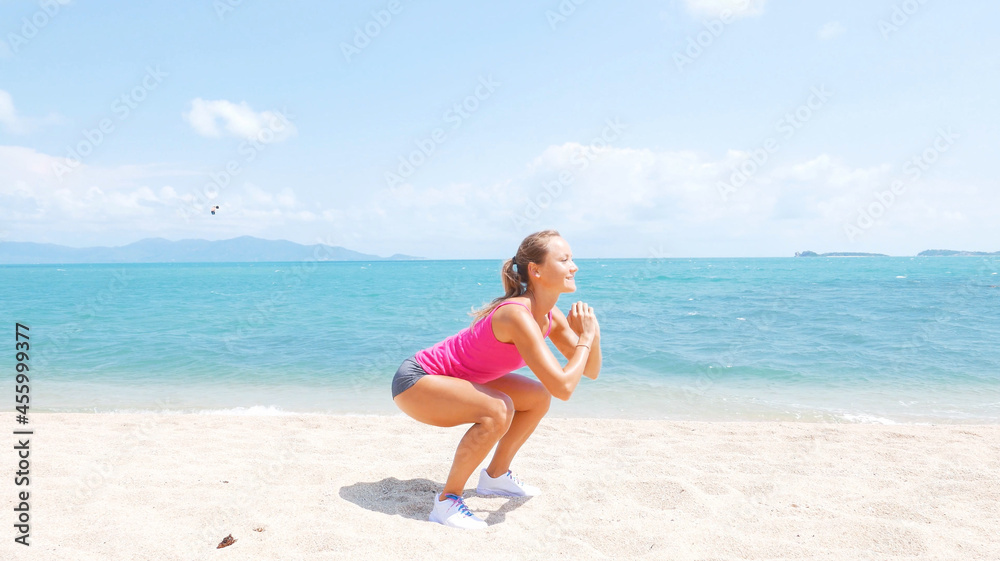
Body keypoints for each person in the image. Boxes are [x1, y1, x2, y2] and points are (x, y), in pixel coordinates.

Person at [391, 229, 602, 529]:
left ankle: (495, 477)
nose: (574, 266)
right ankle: (446, 501)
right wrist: (587, 338)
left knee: (538, 397)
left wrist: (593, 334)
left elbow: (589, 371)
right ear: (536, 270)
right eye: (565, 259)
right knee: (498, 409)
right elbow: (565, 387)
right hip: (417, 380)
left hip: (458, 380)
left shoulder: (549, 316)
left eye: (572, 259)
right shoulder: (516, 315)